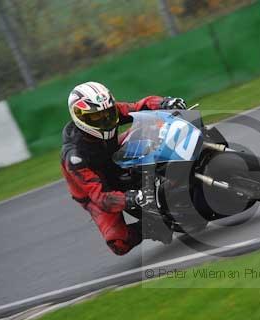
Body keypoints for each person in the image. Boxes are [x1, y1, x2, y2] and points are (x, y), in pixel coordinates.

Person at [60, 81, 187, 255]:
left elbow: (139, 106)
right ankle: (152, 224)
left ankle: (180, 168)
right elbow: (101, 197)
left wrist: (164, 102)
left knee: (151, 126)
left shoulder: (109, 111)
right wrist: (132, 198)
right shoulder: (75, 157)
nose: (105, 120)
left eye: (108, 113)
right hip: (96, 190)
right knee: (119, 243)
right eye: (97, 117)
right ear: (80, 118)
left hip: (113, 157)